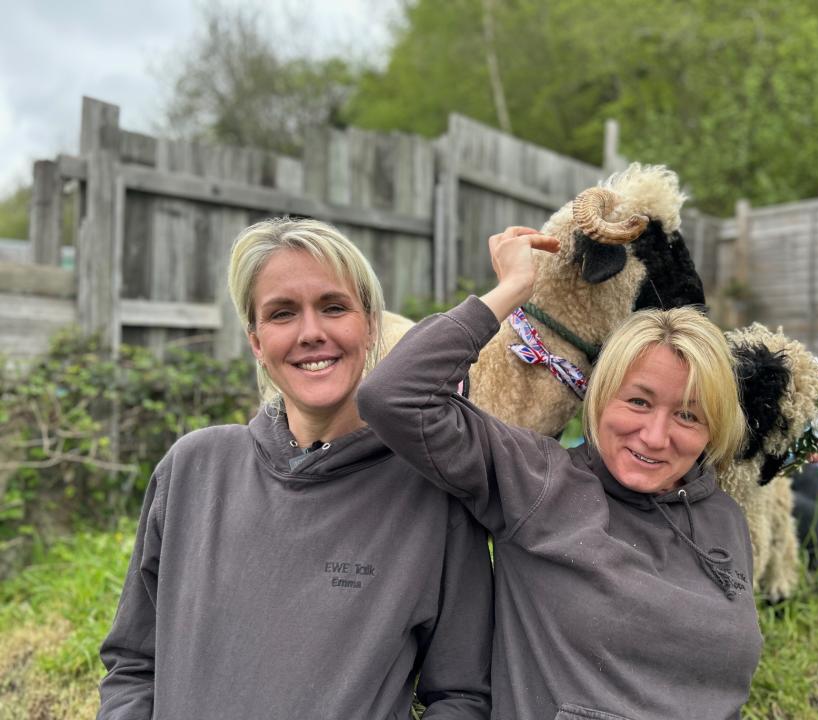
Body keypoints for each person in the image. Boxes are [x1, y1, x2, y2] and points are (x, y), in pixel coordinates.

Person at [358, 226, 762, 720]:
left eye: (688, 415)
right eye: (637, 401)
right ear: (598, 396)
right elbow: (394, 396)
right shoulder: (538, 481)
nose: (656, 437)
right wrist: (511, 291)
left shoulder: (723, 517)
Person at [98, 218, 493, 719]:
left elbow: (464, 696)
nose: (311, 333)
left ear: (370, 323)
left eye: (333, 307)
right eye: (282, 314)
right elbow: (133, 663)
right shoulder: (193, 470)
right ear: (257, 342)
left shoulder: (432, 495)